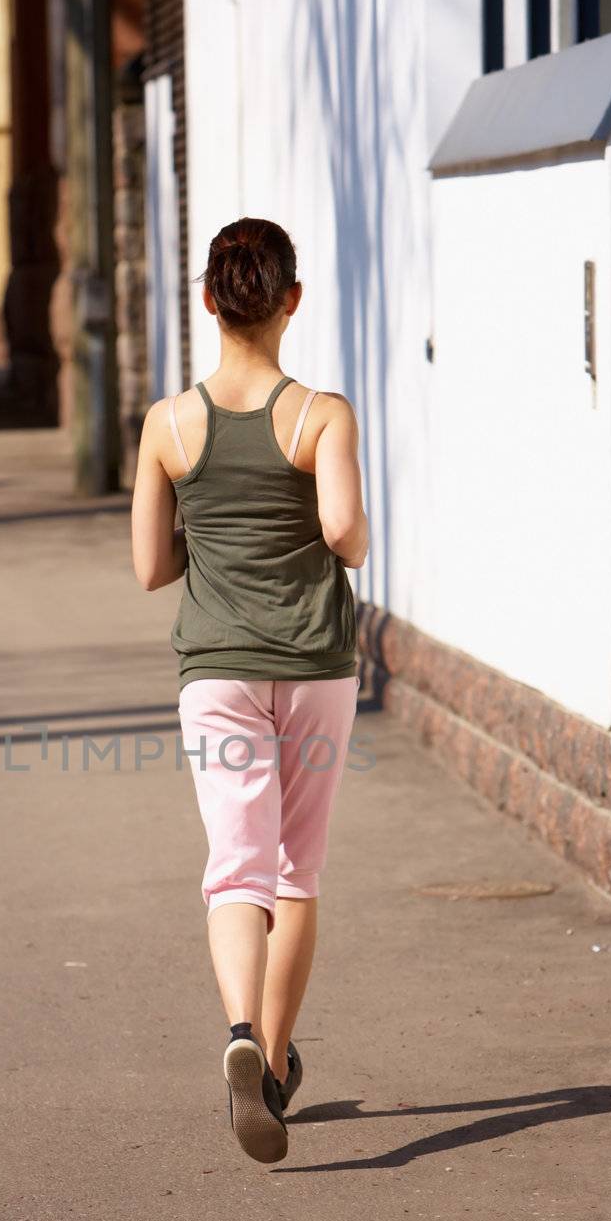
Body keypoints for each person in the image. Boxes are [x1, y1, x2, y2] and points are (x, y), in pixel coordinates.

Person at [130, 216, 369, 1165]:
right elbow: (345, 533)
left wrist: (208, 525)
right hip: (313, 667)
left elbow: (151, 567)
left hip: (216, 671)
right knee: (294, 872)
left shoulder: (167, 424)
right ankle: (270, 1066)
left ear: (207, 301)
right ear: (290, 302)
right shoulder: (323, 415)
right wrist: (333, 529)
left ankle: (237, 1029)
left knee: (235, 866)